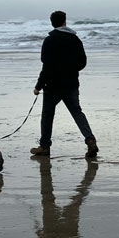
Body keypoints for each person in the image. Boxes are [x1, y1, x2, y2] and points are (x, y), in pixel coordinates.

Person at [31, 10, 99, 159]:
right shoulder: (74, 39)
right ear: (64, 21)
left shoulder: (49, 40)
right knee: (77, 112)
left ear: (52, 23)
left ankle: (44, 147)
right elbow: (83, 62)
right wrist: (71, 70)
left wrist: (38, 86)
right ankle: (90, 140)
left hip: (53, 85)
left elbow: (46, 66)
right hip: (71, 84)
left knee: (47, 115)